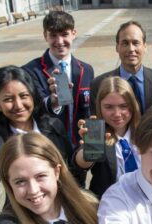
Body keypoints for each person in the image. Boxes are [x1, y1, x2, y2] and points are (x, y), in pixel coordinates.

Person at [0, 65, 76, 191]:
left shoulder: (53, 125)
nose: (18, 105)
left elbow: (72, 169)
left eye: (24, 96)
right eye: (8, 99)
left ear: (33, 96)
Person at [22, 10, 94, 147]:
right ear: (45, 36)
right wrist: (53, 102)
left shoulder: (87, 70)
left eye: (64, 34)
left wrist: (92, 146)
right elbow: (33, 109)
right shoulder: (31, 71)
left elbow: (88, 111)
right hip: (48, 146)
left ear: (74, 34)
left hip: (79, 145)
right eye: (53, 35)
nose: (59, 41)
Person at [90, 21, 152, 115]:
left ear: (145, 47)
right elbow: (97, 121)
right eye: (125, 43)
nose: (131, 49)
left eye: (136, 43)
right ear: (117, 47)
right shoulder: (99, 84)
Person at [74, 76, 142, 198]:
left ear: (133, 105)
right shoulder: (97, 132)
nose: (117, 114)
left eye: (123, 106)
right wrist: (89, 150)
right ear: (99, 107)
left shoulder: (145, 132)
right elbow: (79, 164)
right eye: (109, 107)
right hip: (110, 205)